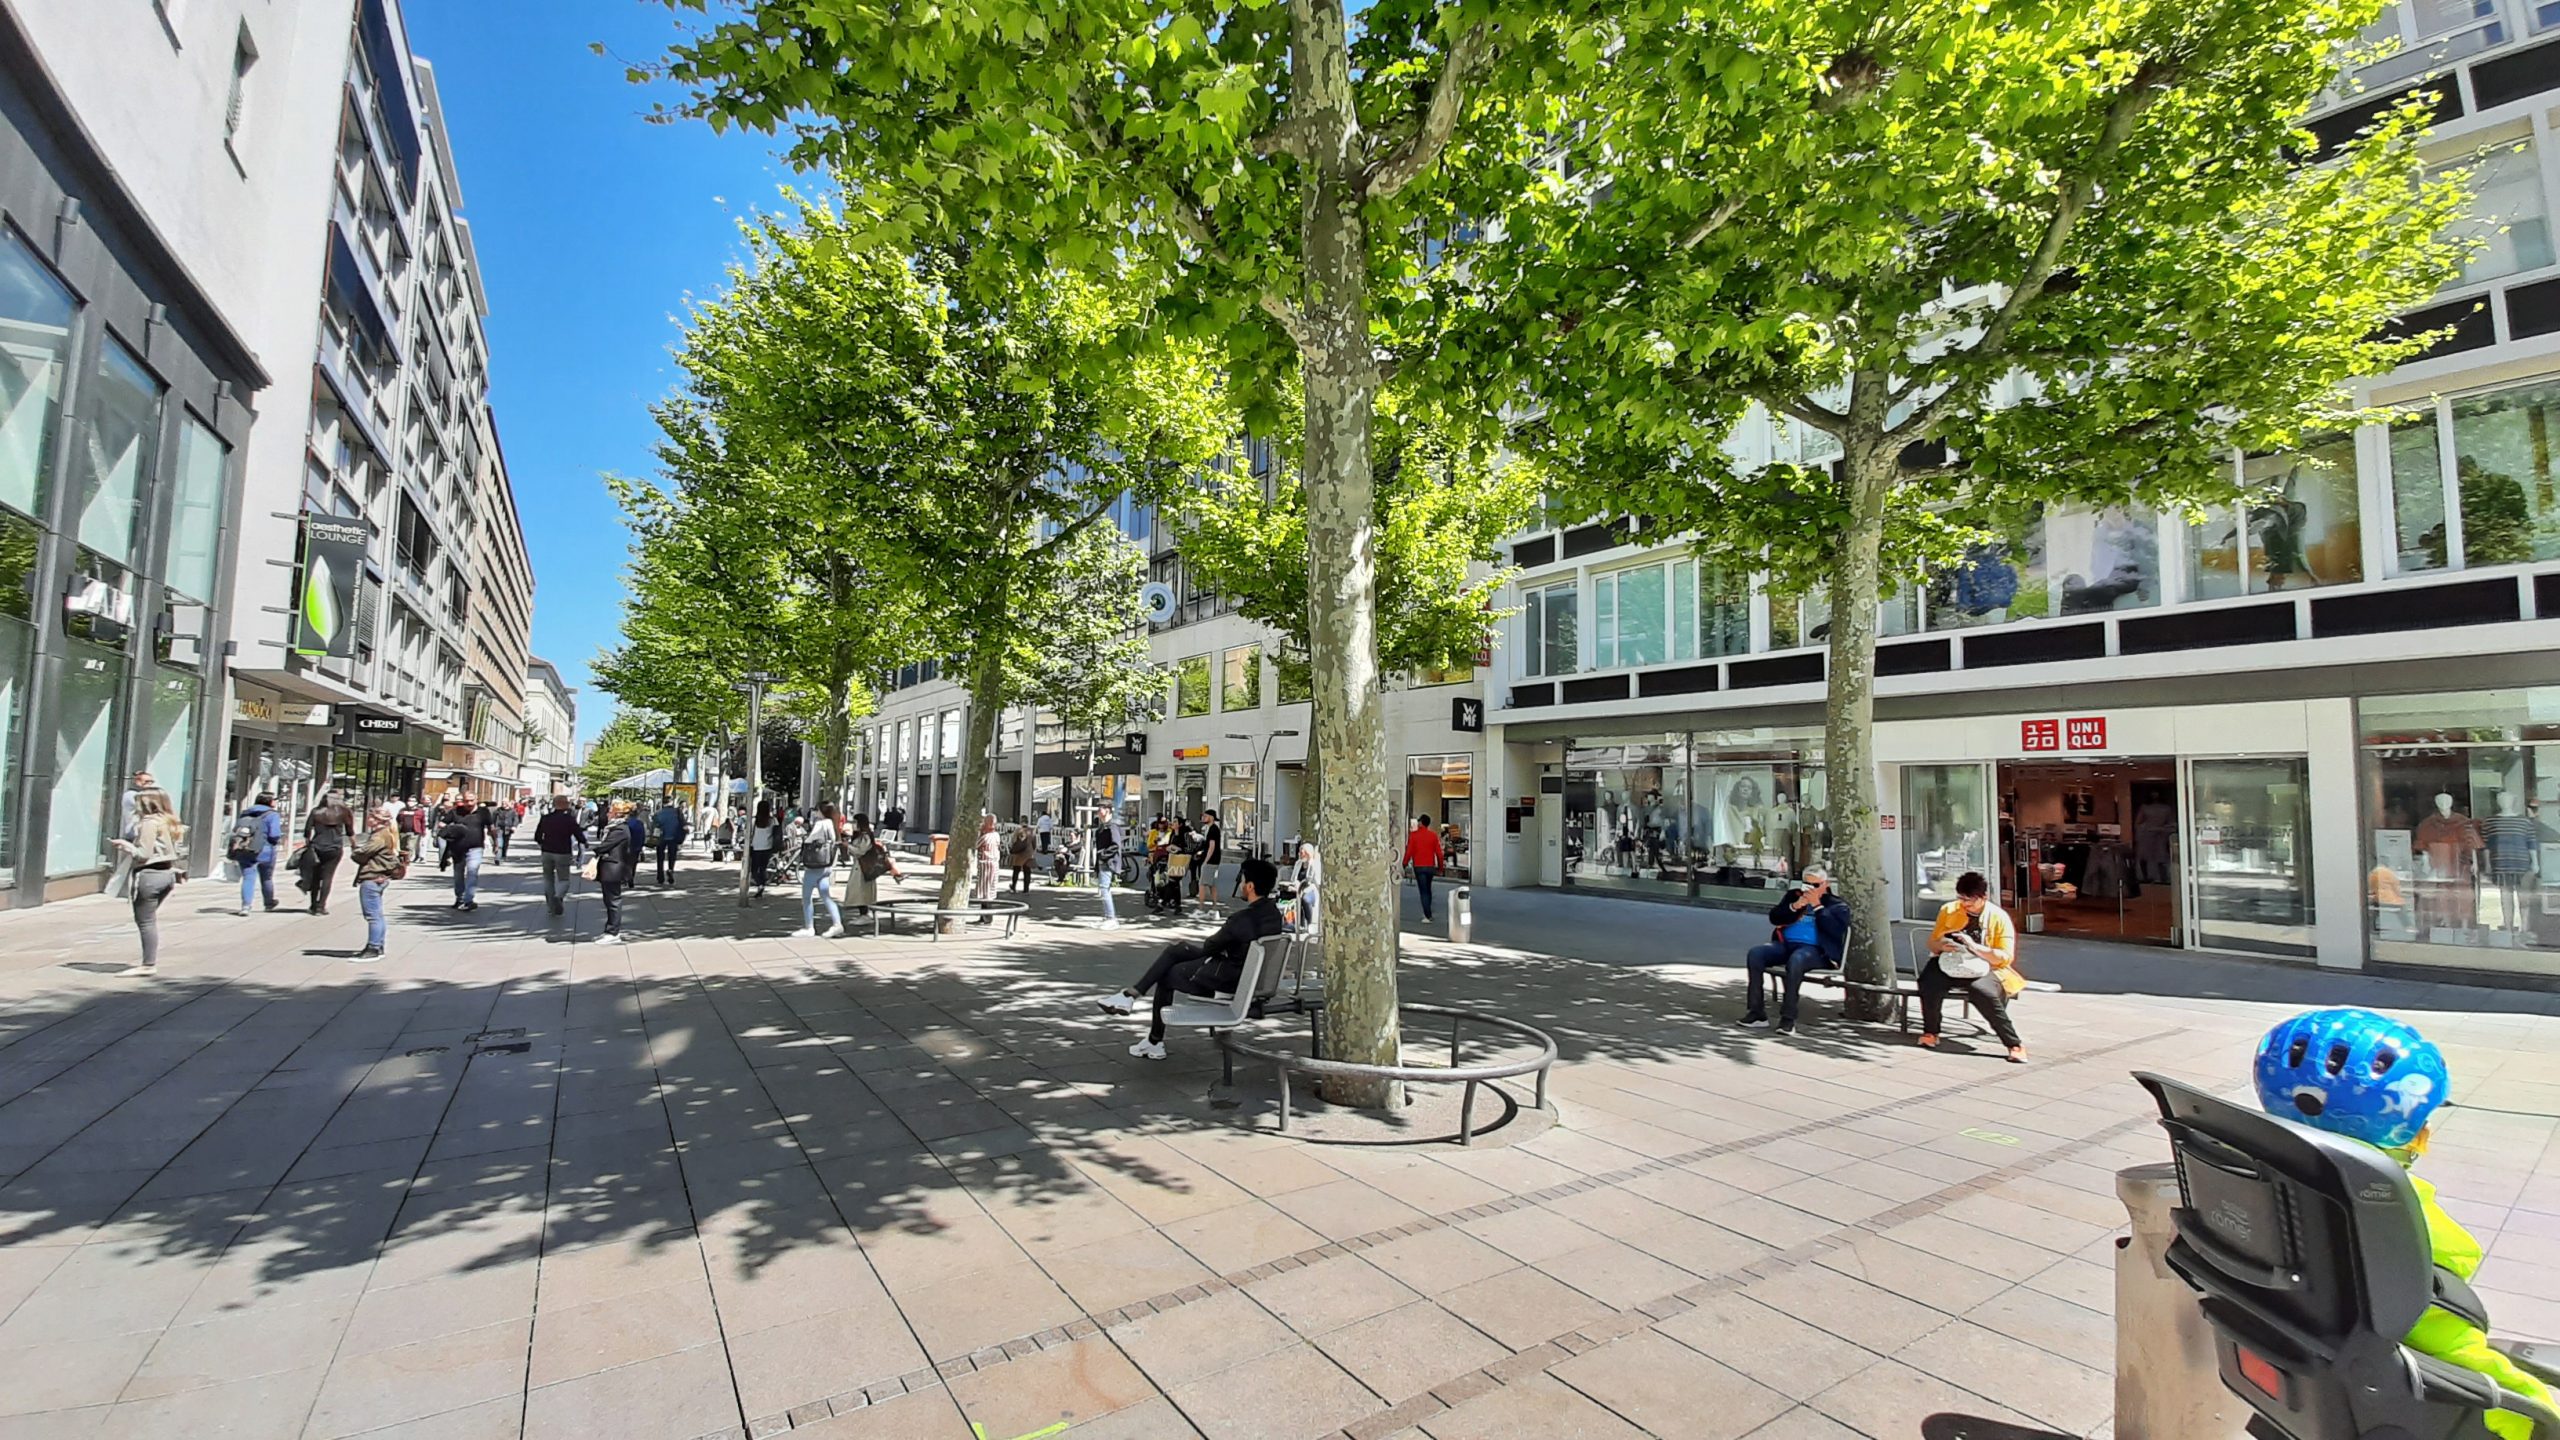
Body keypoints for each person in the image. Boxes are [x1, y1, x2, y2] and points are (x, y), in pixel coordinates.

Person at [2253, 1009, 2556, 1440]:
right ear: (2394, 1125)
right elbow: (2456, 1267)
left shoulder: (2266, 1172)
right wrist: (2540, 1415)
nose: (2425, 1134)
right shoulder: (2385, 1200)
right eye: (2422, 1126)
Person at [1097, 858, 1284, 1059]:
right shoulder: (1273, 914)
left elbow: (1210, 946)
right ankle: (1129, 997)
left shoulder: (1241, 920)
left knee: (1166, 975)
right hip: (1248, 976)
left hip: (1228, 980)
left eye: (1241, 881)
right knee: (1176, 950)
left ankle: (1153, 1039)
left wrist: (1223, 948)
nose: (1238, 884)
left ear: (1250, 886)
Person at [1920, 871, 2026, 1062]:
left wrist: (1976, 947)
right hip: (1950, 960)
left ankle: (2013, 1043)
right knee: (1928, 983)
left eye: (1969, 900)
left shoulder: (1998, 917)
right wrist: (1941, 946)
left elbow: (2005, 957)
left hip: (1986, 965)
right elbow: (1932, 942)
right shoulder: (1949, 910)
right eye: (1961, 898)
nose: (1964, 904)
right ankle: (1931, 1031)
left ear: (1983, 897)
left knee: (1983, 992)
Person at [1739, 867, 1851, 1035]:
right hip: (1785, 944)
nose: (1810, 888)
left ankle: (1788, 1018)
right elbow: (1774, 917)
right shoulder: (1794, 895)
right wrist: (1795, 906)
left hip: (1817, 951)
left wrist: (1817, 906)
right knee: (1756, 953)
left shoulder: (1837, 905)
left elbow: (1836, 931)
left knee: (1797, 959)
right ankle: (1757, 1013)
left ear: (1825, 884)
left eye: (1815, 884)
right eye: (1807, 884)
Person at [111, 788, 186, 976]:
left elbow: (143, 854)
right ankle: (148, 962)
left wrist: (126, 845)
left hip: (149, 875)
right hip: (166, 873)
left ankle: (148, 964)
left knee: (145, 921)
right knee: (149, 918)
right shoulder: (170, 821)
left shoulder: (149, 823)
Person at [350, 801, 403, 961]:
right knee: (377, 914)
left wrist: (355, 851)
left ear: (377, 819)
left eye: (370, 817)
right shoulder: (386, 833)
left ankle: (373, 948)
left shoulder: (379, 836)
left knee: (373, 915)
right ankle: (377, 945)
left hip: (373, 877)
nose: (367, 820)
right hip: (380, 877)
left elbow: (363, 853)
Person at [225, 792, 285, 915]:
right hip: (266, 850)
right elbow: (274, 834)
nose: (276, 801)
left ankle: (246, 906)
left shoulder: (245, 813)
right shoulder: (272, 815)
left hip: (245, 849)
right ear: (269, 801)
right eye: (274, 799)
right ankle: (269, 903)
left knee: (248, 877)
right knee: (267, 878)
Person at [792, 802, 846, 938]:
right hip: (827, 864)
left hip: (815, 865)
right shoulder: (833, 823)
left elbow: (811, 839)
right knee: (826, 895)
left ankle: (809, 927)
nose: (815, 812)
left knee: (806, 897)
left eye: (817, 810)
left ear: (822, 811)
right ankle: (837, 924)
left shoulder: (821, 823)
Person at [301, 790, 355, 915]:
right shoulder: (344, 812)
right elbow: (350, 831)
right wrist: (354, 845)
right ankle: (321, 906)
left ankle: (313, 905)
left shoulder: (316, 812)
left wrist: (308, 844)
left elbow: (307, 831)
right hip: (334, 847)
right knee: (328, 877)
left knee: (315, 876)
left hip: (317, 845)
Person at [592, 800, 638, 942]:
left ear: (617, 814)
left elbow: (605, 846)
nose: (608, 813)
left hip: (614, 868)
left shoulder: (620, 829)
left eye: (610, 811)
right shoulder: (616, 828)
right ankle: (610, 930)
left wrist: (596, 849)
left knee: (613, 900)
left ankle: (613, 932)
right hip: (610, 867)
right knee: (609, 899)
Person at [534, 794, 584, 917]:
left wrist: (543, 844)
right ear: (565, 804)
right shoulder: (569, 819)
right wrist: (584, 842)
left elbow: (537, 836)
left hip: (547, 851)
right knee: (564, 879)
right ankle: (558, 896)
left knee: (548, 879)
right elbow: (578, 834)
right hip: (563, 852)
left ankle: (551, 906)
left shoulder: (546, 818)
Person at [844, 814, 898, 917]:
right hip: (858, 866)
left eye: (855, 822)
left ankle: (865, 914)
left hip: (863, 867)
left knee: (861, 891)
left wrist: (848, 846)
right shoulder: (859, 835)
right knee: (857, 891)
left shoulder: (866, 836)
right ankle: (863, 913)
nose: (853, 825)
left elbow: (861, 851)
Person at [439, 800, 489, 910]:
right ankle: (459, 898)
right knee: (458, 874)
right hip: (458, 848)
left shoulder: (483, 812)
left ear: (476, 800)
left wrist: (495, 844)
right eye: (466, 801)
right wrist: (453, 829)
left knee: (472, 871)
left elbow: (491, 827)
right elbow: (442, 823)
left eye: (471, 800)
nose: (469, 803)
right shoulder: (455, 812)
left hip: (476, 847)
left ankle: (468, 900)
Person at [1403, 814, 1444, 923]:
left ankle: (1427, 914)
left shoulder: (1414, 835)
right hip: (1430, 866)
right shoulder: (1433, 835)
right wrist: (1440, 867)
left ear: (1421, 823)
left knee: (1423, 891)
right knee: (1428, 889)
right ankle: (1428, 912)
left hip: (1419, 866)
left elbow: (1409, 851)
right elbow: (1439, 853)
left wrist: (1404, 863)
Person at [1090, 816, 1122, 930]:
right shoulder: (1102, 828)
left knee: (1104, 889)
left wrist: (1103, 854)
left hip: (1108, 862)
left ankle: (1111, 918)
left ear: (1107, 811)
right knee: (1103, 889)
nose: (1099, 812)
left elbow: (1115, 845)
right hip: (1102, 861)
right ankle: (1108, 916)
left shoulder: (1112, 827)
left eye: (1101, 809)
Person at [970, 814, 1002, 920]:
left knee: (985, 890)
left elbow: (975, 845)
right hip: (994, 864)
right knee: (990, 889)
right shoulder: (996, 836)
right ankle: (986, 915)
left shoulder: (985, 837)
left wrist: (980, 833)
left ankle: (986, 916)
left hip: (985, 863)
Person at [650, 797, 687, 886]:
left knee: (660, 857)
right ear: (671, 802)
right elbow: (683, 824)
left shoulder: (658, 814)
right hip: (674, 837)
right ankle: (670, 869)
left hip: (661, 838)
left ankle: (660, 876)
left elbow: (654, 827)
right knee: (672, 855)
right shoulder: (677, 812)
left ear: (663, 803)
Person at [1291, 840, 1323, 934]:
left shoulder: (1314, 864)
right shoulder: (1298, 863)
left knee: (1305, 899)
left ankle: (1309, 923)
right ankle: (1292, 922)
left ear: (1307, 854)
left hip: (1310, 890)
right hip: (1297, 888)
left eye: (1301, 853)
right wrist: (1295, 885)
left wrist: (1303, 890)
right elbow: (1293, 878)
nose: (1299, 854)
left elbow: (1316, 882)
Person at [749, 799, 778, 896]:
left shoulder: (754, 820)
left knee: (754, 869)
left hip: (756, 846)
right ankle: (762, 884)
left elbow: (750, 833)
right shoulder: (773, 820)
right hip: (767, 847)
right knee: (763, 868)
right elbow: (776, 833)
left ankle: (760, 884)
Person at [1195, 811, 1224, 903]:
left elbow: (1212, 847)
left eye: (1205, 816)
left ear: (1211, 817)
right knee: (1212, 883)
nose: (1203, 818)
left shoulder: (1213, 830)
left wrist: (1205, 861)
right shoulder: (1212, 828)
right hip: (1215, 859)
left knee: (1202, 883)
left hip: (1211, 860)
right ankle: (1214, 905)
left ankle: (1201, 907)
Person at [1007, 817, 1036, 894]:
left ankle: (1013, 886)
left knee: (1016, 871)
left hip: (1019, 854)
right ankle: (1026, 889)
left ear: (1021, 821)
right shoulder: (1031, 831)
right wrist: (1032, 851)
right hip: (1028, 854)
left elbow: (1013, 841)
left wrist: (1012, 849)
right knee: (1027, 872)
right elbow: (1034, 843)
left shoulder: (1018, 831)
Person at [489, 797, 519, 862]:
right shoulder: (498, 810)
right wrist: (492, 827)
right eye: (502, 802)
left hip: (508, 829)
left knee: (505, 843)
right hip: (499, 828)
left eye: (505, 802)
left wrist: (514, 826)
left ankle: (503, 855)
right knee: (499, 843)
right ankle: (497, 858)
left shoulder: (513, 811)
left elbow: (516, 819)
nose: (503, 803)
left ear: (508, 803)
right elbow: (492, 819)